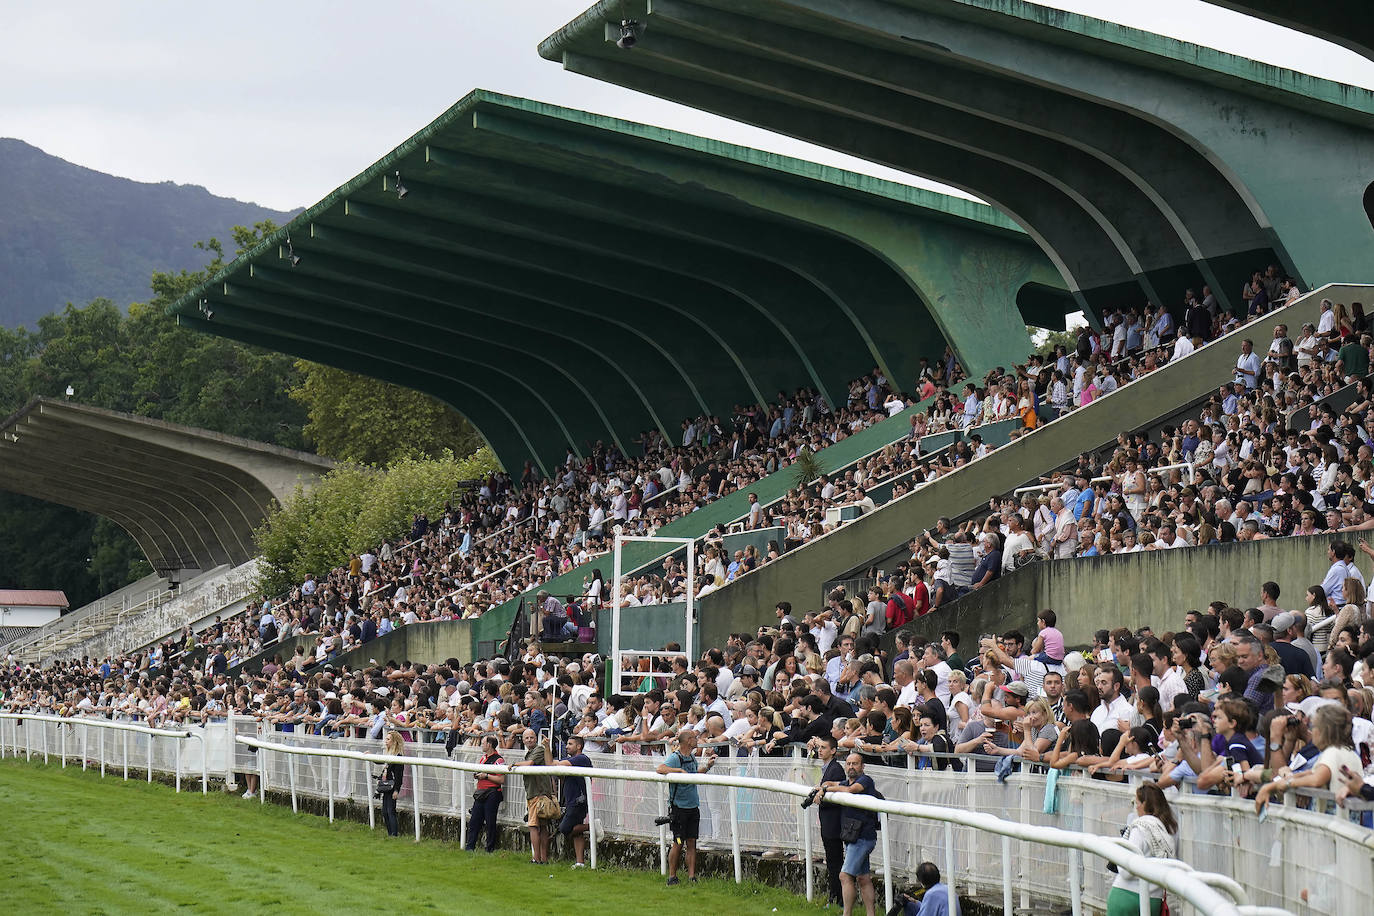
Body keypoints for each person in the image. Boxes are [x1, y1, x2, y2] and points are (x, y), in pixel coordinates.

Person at [819, 751, 881, 916]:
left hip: (863, 838)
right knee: (863, 878)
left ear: (862, 766)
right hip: (853, 837)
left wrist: (826, 789)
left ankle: (846, 914)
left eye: (855, 764)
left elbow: (850, 790)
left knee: (844, 876)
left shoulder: (865, 781)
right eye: (848, 764)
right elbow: (835, 782)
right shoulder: (847, 780)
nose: (851, 767)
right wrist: (824, 786)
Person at [656, 728, 717, 886]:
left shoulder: (691, 757)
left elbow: (694, 774)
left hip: (692, 807)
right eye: (694, 737)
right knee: (678, 842)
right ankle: (672, 876)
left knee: (692, 841)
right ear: (688, 740)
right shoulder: (676, 758)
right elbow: (660, 769)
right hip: (679, 809)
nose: (697, 739)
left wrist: (708, 766)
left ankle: (691, 876)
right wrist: (678, 771)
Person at [1107, 783, 1177, 916]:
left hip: (1125, 896)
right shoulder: (1169, 831)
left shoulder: (1139, 828)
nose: (1135, 807)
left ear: (1144, 805)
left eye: (1136, 802)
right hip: (1154, 899)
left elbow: (1126, 871)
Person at [509, 728, 556, 864]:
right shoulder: (530, 752)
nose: (529, 740)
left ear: (536, 739)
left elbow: (530, 764)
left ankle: (536, 858)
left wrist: (514, 764)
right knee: (542, 827)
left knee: (533, 826)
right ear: (523, 740)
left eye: (531, 737)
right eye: (527, 738)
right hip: (537, 793)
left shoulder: (539, 750)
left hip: (538, 794)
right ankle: (543, 858)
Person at [812, 733, 848, 906]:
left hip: (833, 824)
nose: (820, 751)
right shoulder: (828, 768)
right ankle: (835, 896)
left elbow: (840, 786)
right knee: (832, 862)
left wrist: (824, 788)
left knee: (835, 863)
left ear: (833, 751)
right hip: (828, 823)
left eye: (823, 748)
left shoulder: (836, 769)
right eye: (819, 747)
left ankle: (838, 898)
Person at [555, 735, 594, 868]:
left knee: (565, 829)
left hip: (579, 802)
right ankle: (580, 862)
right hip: (573, 800)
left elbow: (557, 765)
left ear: (579, 746)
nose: (566, 746)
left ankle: (593, 826)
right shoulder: (571, 760)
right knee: (577, 833)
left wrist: (547, 753)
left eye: (570, 744)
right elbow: (558, 771)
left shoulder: (581, 758)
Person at [465, 735, 505, 853]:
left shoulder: (499, 760)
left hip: (492, 794)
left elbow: (501, 780)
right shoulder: (483, 758)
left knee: (490, 822)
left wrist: (486, 776)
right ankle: (470, 847)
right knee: (474, 821)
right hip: (481, 794)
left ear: (489, 745)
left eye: (483, 743)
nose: (481, 745)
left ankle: (490, 849)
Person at [378, 730, 405, 838]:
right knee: (385, 812)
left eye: (388, 739)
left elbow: (399, 776)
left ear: (394, 742)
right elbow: (380, 761)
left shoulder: (398, 757)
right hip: (386, 786)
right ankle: (390, 834)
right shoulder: (388, 754)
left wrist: (396, 790)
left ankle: (394, 834)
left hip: (392, 787)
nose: (386, 741)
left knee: (390, 811)